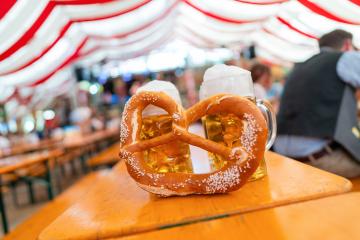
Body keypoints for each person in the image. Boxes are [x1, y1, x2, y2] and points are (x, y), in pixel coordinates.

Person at [274, 29, 360, 178]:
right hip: (318, 159)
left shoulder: (299, 66)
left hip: (283, 157)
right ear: (347, 45)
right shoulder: (346, 57)